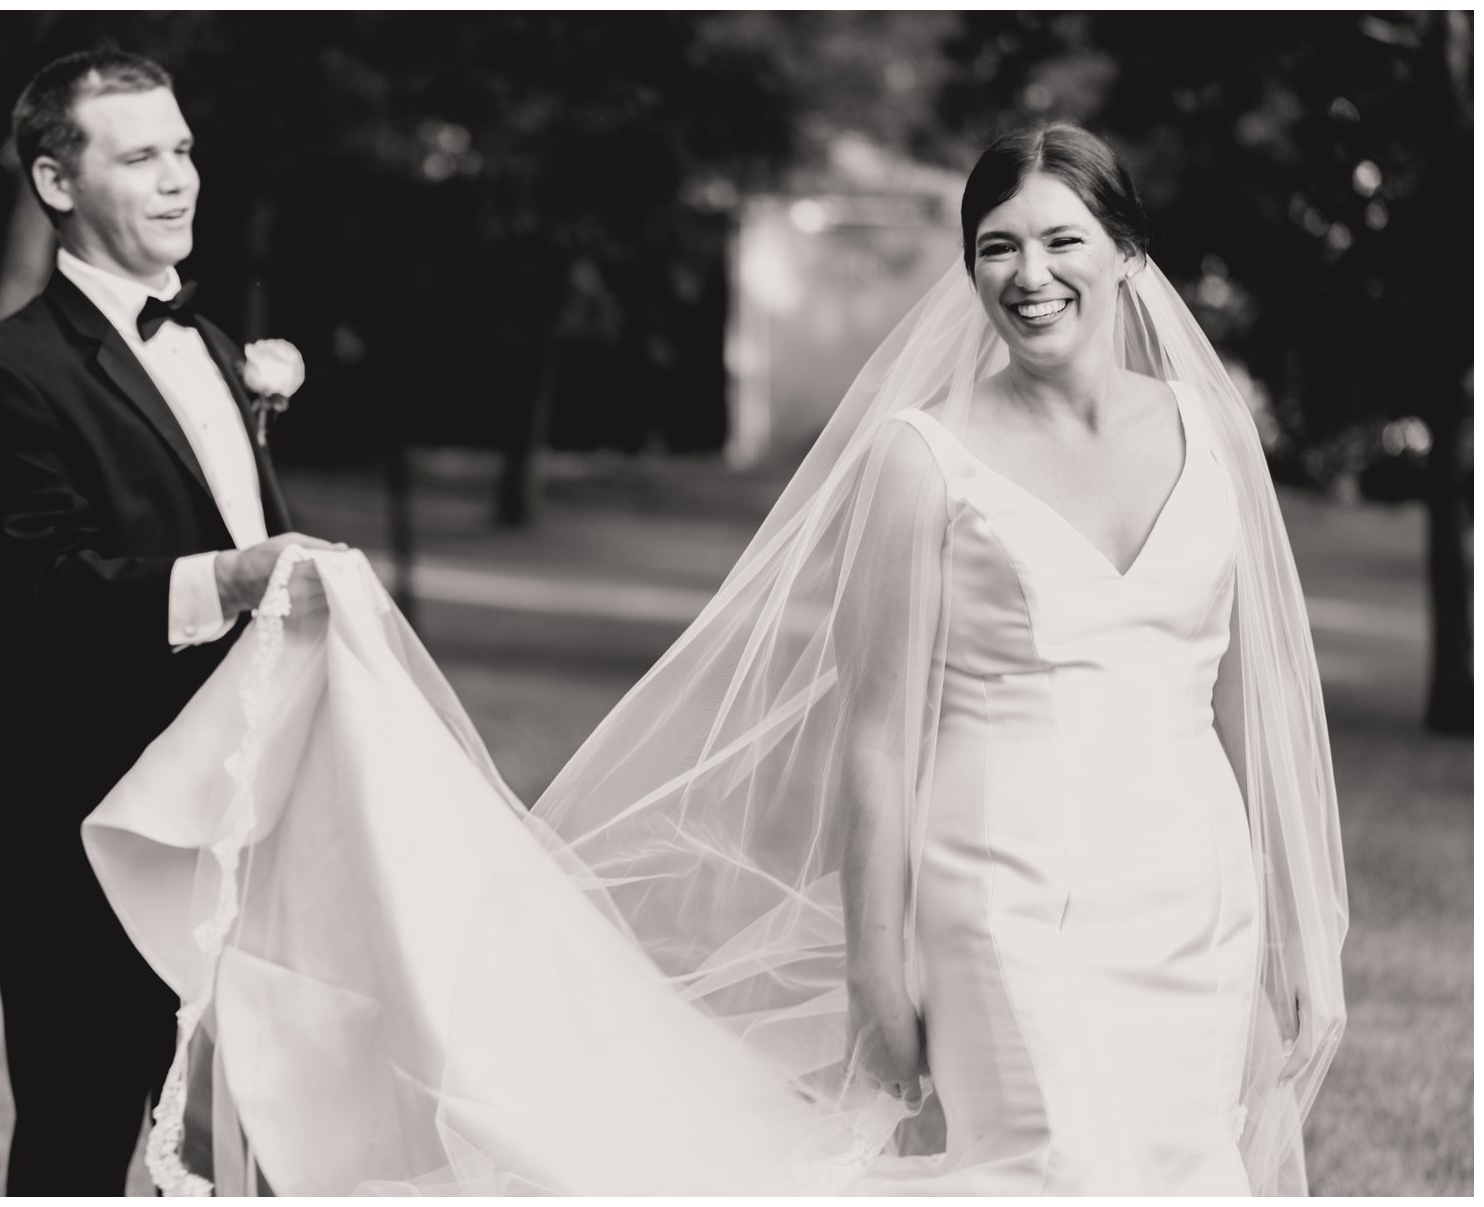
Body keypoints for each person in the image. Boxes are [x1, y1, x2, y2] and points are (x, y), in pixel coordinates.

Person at [84, 123, 1345, 1195]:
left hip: (1195, 898)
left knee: (1182, 1165)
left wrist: (1294, 929)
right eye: (997, 247)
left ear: (1126, 254)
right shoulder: (926, 460)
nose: (1030, 275)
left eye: (1063, 239)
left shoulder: (1208, 430)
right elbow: (875, 738)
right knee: (1047, 1166)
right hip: (1008, 898)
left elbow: (1253, 700)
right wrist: (875, 981)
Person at [0, 48, 335, 1195]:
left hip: (245, 835)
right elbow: (38, 593)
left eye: (185, 149)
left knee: (242, 1158)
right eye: (141, 154)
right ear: (58, 183)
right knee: (76, 1157)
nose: (178, 179)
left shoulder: (209, 345)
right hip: (94, 846)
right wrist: (233, 578)